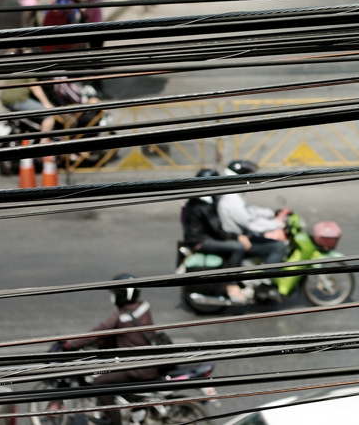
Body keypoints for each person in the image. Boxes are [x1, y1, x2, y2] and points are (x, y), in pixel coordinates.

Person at [60, 274, 158, 425]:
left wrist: (71, 345)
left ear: (123, 294)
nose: (113, 298)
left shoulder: (122, 317)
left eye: (115, 294)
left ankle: (115, 421)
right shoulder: (144, 306)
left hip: (137, 368)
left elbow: (99, 332)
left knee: (100, 382)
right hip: (150, 362)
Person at [182, 169, 252, 304]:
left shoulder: (196, 199)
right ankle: (232, 285)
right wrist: (237, 237)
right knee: (238, 248)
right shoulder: (204, 205)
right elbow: (218, 231)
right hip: (201, 241)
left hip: (198, 238)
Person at [216, 160, 291, 265]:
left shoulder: (233, 195)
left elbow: (250, 209)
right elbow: (252, 223)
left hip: (242, 236)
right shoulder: (232, 200)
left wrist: (271, 213)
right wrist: (279, 225)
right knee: (279, 246)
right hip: (239, 239)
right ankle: (265, 279)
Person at [0, 69, 56, 143]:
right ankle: (43, 143)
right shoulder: (30, 70)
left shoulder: (18, 68)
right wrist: (47, 104)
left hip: (6, 101)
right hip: (18, 100)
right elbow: (35, 87)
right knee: (49, 116)